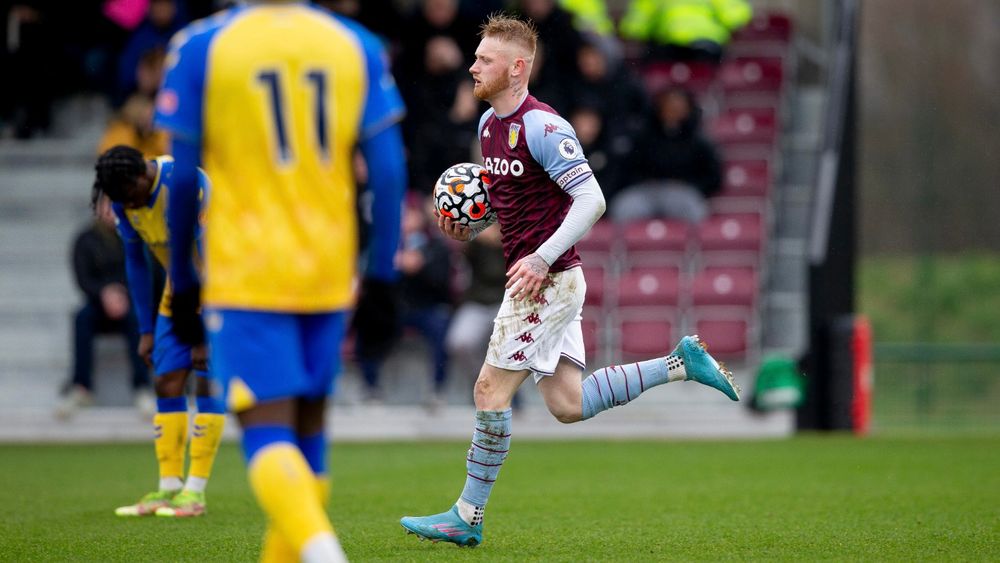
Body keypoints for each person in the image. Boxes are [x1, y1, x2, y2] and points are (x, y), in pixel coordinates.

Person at [399, 14, 740, 548]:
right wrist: (469, 223)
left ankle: (466, 515)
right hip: (546, 278)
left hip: (547, 281)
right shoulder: (488, 127)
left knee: (489, 390)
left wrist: (540, 258)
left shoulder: (544, 126)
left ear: (516, 68)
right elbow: (511, 202)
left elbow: (592, 199)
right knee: (567, 404)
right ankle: (680, 363)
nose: (472, 66)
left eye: (484, 59)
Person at [156, 3, 406, 561]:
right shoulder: (355, 43)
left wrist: (183, 275)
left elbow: (180, 180)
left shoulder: (201, 47)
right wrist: (383, 275)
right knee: (307, 442)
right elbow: (388, 173)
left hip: (247, 271)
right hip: (327, 270)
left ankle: (325, 553)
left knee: (267, 436)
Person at [92, 146, 226, 519]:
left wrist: (200, 334)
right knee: (166, 379)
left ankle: (195, 492)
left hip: (224, 284)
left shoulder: (183, 184)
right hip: (180, 289)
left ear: (140, 176)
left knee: (206, 377)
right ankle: (168, 487)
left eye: (128, 195)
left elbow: (208, 258)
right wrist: (147, 329)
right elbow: (135, 264)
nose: (126, 204)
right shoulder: (124, 199)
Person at [57, 194, 153, 420]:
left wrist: (122, 294)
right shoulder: (85, 239)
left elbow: (145, 274)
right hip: (97, 304)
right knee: (81, 318)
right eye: (106, 205)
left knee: (139, 320)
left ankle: (142, 387)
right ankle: (81, 388)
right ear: (97, 208)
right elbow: (83, 278)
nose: (111, 211)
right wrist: (104, 294)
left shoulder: (134, 237)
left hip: (129, 304)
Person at [358, 199, 454, 408]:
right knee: (370, 324)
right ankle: (371, 388)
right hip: (395, 307)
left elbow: (442, 280)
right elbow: (373, 279)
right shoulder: (386, 243)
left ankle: (437, 390)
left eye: (411, 215)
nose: (407, 220)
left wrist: (421, 266)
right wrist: (396, 266)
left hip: (427, 307)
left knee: (440, 329)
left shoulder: (435, 244)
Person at [609, 86, 722, 224]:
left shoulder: (698, 140)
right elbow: (627, 168)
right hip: (646, 190)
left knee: (696, 212)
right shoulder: (643, 136)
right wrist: (643, 181)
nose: (673, 110)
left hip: (683, 191)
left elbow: (713, 176)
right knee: (623, 208)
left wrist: (690, 185)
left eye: (678, 106)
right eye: (669, 105)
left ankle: (691, 246)